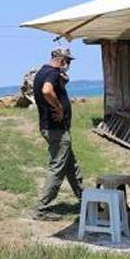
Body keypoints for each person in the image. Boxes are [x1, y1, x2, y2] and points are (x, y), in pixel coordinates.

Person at [31, 47, 84, 221]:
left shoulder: (43, 72)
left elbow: (48, 89)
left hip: (53, 128)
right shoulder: (52, 73)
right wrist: (59, 108)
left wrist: (62, 85)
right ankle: (41, 207)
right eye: (67, 62)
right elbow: (46, 91)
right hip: (56, 129)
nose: (68, 65)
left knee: (71, 165)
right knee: (58, 167)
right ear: (61, 60)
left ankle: (84, 198)